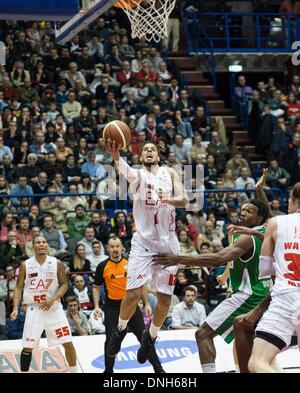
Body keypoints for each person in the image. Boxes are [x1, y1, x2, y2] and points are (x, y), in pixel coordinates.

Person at [154, 199, 272, 373]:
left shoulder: (248, 237)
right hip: (265, 295)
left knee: (203, 334)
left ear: (259, 217)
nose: (243, 212)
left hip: (248, 296)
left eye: (249, 211)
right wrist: (260, 191)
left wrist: (179, 259)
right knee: (247, 343)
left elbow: (219, 258)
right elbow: (268, 212)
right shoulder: (269, 229)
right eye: (243, 208)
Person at [104, 138, 188, 365]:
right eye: (145, 150)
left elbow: (185, 200)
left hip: (168, 244)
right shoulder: (139, 176)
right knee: (132, 294)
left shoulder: (170, 172)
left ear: (158, 156)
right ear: (141, 157)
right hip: (143, 243)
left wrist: (168, 198)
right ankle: (120, 330)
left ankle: (150, 338)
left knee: (164, 299)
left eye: (153, 149)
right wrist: (116, 157)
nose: (149, 151)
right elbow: (126, 171)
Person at [248, 182, 300, 373]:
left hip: (285, 298)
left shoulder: (276, 223)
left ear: (294, 200)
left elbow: (264, 269)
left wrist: (281, 261)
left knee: (257, 363)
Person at [93, 236, 164, 373]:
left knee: (145, 338)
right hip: (112, 308)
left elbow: (141, 284)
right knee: (110, 341)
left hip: (131, 306)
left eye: (117, 246)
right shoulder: (102, 266)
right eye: (112, 246)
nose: (115, 249)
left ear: (121, 248)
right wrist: (96, 306)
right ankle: (108, 371)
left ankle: (158, 369)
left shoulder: (130, 263)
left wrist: (147, 303)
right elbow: (96, 287)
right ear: (108, 248)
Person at [10, 236, 79, 372]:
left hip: (54, 308)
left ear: (47, 245)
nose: (41, 244)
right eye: (38, 242)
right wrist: (15, 308)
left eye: (44, 242)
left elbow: (64, 285)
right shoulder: (26, 265)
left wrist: (52, 299)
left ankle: (74, 371)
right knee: (28, 346)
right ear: (33, 246)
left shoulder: (56, 263)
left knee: (67, 342)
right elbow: (18, 287)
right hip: (34, 309)